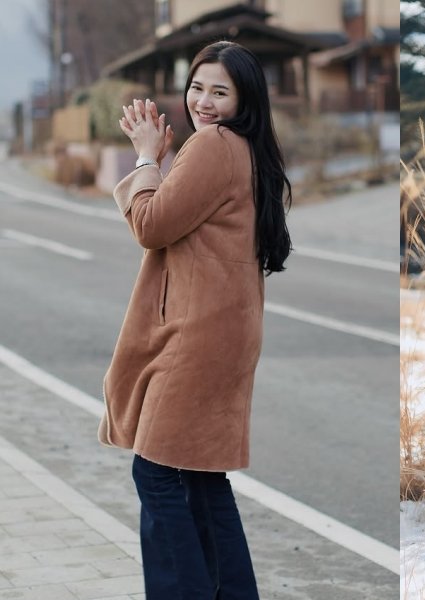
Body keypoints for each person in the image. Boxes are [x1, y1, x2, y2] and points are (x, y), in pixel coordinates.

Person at [99, 40, 292, 598]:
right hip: (227, 331)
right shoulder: (250, 150)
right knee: (202, 479)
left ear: (243, 98)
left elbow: (151, 225)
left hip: (196, 335)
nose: (203, 101)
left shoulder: (212, 145)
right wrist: (160, 159)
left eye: (219, 91)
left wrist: (145, 157)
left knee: (156, 473)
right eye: (197, 87)